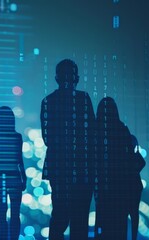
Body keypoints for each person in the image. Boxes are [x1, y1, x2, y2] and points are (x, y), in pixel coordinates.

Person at [40, 59, 96, 240]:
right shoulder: (83, 99)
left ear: (56, 78)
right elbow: (93, 134)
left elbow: (47, 138)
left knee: (59, 216)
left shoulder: (48, 101)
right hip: (82, 169)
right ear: (77, 78)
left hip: (59, 169)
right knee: (80, 220)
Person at [94, 97, 144, 240]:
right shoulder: (122, 129)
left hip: (105, 187)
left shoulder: (96, 132)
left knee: (104, 224)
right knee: (120, 225)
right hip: (123, 186)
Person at [0, 106, 26, 240]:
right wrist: (24, 178)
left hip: (0, 179)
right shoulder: (17, 136)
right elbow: (19, 159)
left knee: (2, 212)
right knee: (15, 213)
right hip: (15, 177)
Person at [128, 135, 145, 240]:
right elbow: (143, 163)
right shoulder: (134, 156)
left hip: (131, 189)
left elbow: (143, 162)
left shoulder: (128, 156)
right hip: (134, 189)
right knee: (134, 214)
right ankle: (133, 237)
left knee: (133, 214)